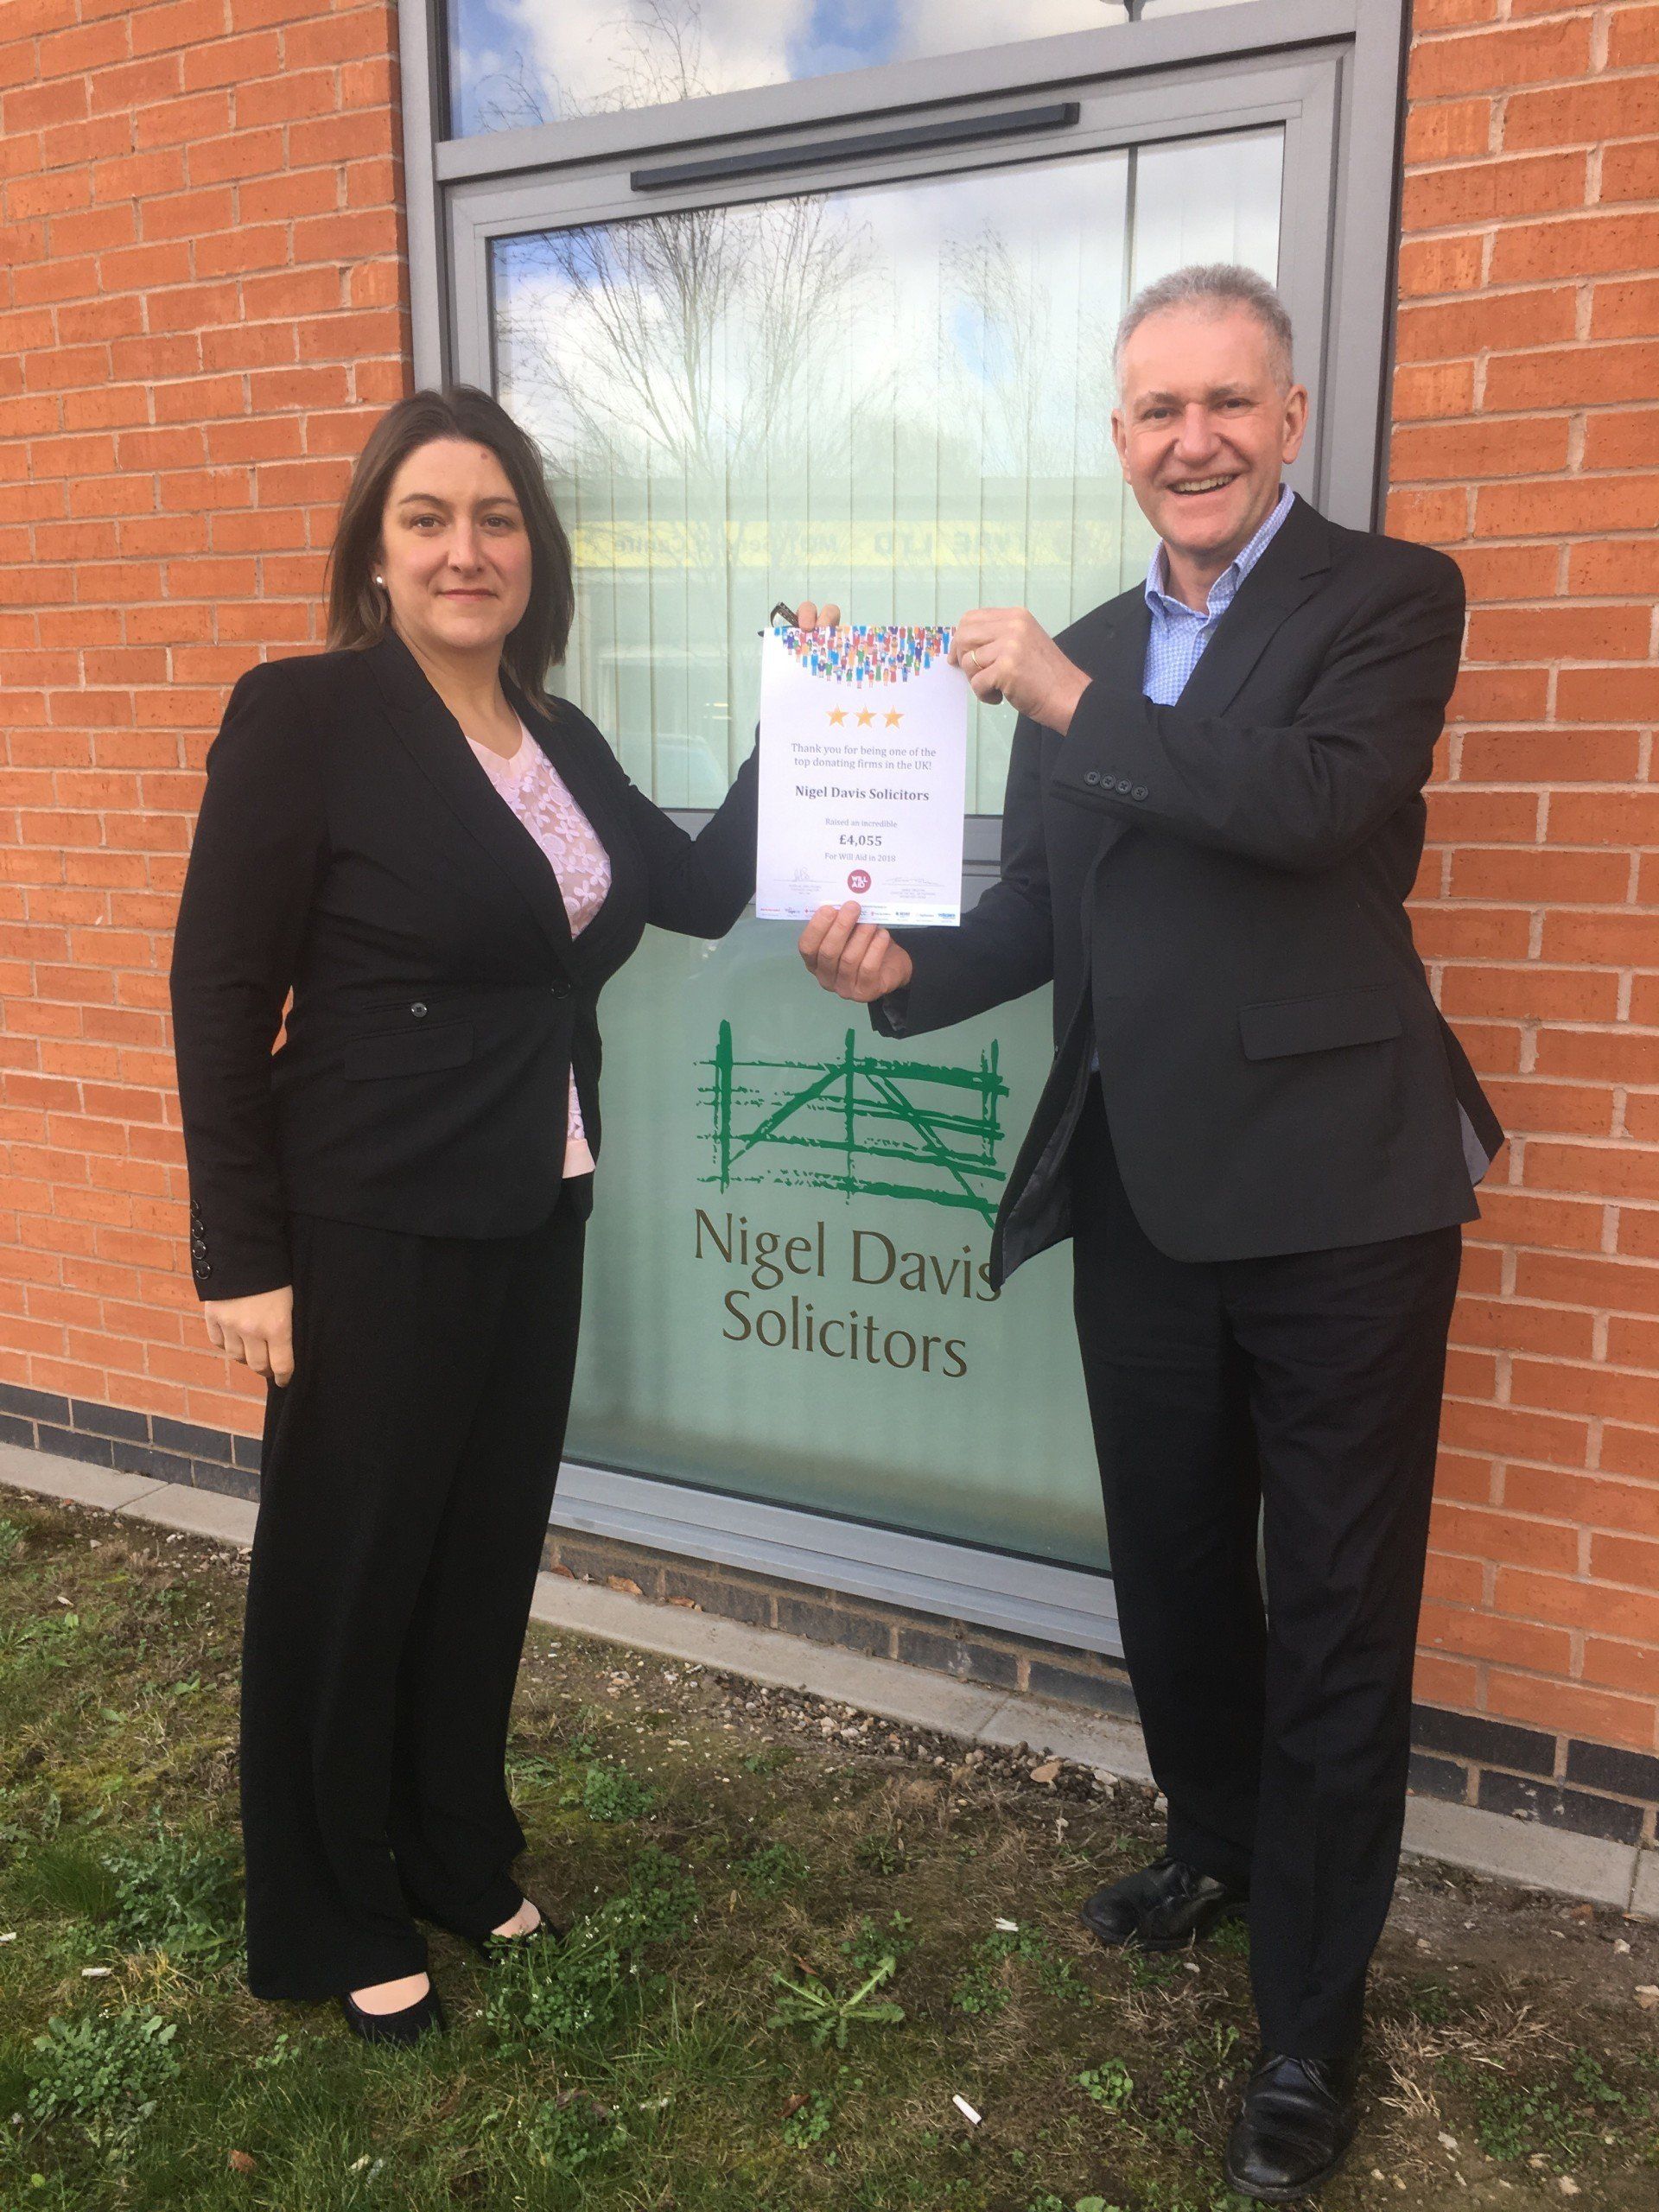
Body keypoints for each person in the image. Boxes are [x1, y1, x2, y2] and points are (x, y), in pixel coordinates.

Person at [798, 264, 1502, 2202]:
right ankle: (1216, 1835)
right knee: (1177, 1566)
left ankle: (1308, 2017)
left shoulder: (1386, 598)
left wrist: (1068, 693)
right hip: (1144, 1188)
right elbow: (1044, 911)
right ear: (1120, 441)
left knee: (1342, 1612)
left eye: (1227, 402)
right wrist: (897, 968)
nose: (1190, 437)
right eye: (1154, 410)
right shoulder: (1093, 645)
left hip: (1345, 1195)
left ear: (1288, 421)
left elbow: (1315, 809)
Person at [170, 384, 830, 2044]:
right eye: (428, 518)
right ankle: (327, 1909)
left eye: (497, 520)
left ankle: (455, 1853)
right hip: (369, 1215)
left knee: (479, 1555)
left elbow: (694, 891)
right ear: (376, 553)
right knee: (349, 1563)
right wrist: (242, 1254)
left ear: (534, 552)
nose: (467, 550)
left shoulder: (561, 738)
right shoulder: (306, 718)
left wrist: (804, 708)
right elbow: (217, 990)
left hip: (539, 1198)